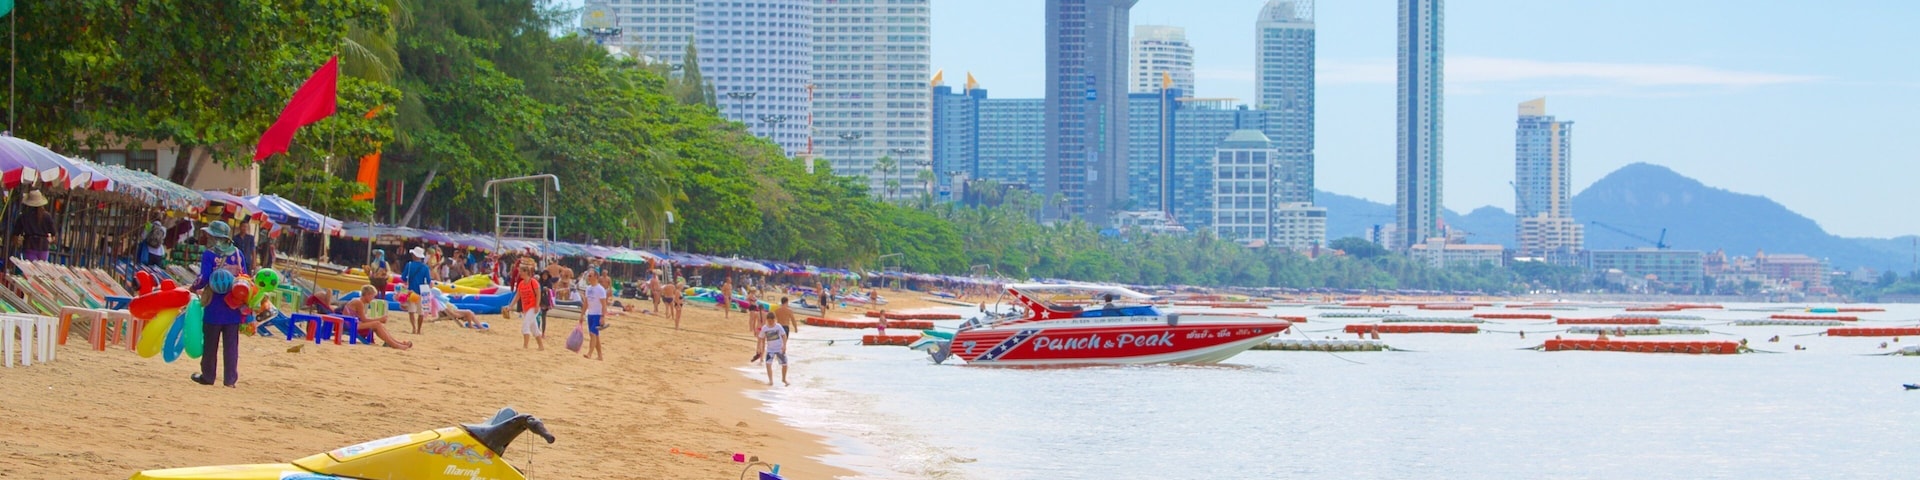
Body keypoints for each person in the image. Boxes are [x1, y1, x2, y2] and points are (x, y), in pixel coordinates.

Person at [193, 269, 246, 387]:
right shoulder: (238, 254)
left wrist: (194, 287)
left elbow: (204, 276)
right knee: (231, 347)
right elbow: (244, 277)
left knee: (210, 346)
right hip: (233, 308)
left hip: (214, 309)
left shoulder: (210, 254)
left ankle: (208, 377)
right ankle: (230, 380)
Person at [343, 285, 412, 350]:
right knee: (377, 324)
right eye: (372, 296)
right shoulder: (359, 302)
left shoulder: (359, 301)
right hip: (351, 324)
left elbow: (362, 318)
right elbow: (364, 319)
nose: (372, 299)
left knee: (378, 324)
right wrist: (380, 319)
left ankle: (395, 343)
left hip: (353, 322)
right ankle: (395, 345)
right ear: (367, 294)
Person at [12, 190, 55, 261]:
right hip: (43, 246)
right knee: (41, 270)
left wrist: (17, 243)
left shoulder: (24, 216)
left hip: (30, 245)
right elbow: (53, 234)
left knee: (30, 269)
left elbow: (16, 233)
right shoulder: (47, 216)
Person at [401, 246, 432, 334]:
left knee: (411, 311)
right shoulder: (425, 267)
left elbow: (403, 277)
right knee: (421, 312)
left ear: (414, 255)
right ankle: (419, 329)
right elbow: (428, 280)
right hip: (422, 291)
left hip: (411, 291)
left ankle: (414, 328)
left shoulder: (409, 265)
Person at [516, 264, 544, 350]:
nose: (519, 273)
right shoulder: (521, 284)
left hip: (533, 307)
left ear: (526, 272)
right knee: (533, 327)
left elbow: (538, 294)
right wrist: (510, 306)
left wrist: (536, 305)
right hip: (526, 308)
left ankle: (525, 346)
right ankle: (541, 346)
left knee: (526, 324)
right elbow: (517, 296)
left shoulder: (533, 282)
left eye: (521, 271)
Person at [582, 271, 609, 361]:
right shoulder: (588, 288)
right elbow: (586, 303)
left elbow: (604, 304)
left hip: (597, 314)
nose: (588, 277)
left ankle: (589, 353)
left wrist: (602, 316)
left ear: (596, 277)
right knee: (595, 335)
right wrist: (582, 314)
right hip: (590, 314)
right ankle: (600, 355)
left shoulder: (600, 289)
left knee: (593, 334)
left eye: (590, 276)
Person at [761, 316, 790, 386]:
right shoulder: (765, 328)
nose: (770, 322)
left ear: (774, 320)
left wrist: (784, 345)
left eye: (772, 321)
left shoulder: (778, 326)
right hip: (770, 349)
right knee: (768, 364)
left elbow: (784, 335)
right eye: (769, 321)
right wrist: (762, 347)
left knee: (784, 364)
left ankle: (784, 379)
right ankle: (770, 381)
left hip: (779, 348)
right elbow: (761, 337)